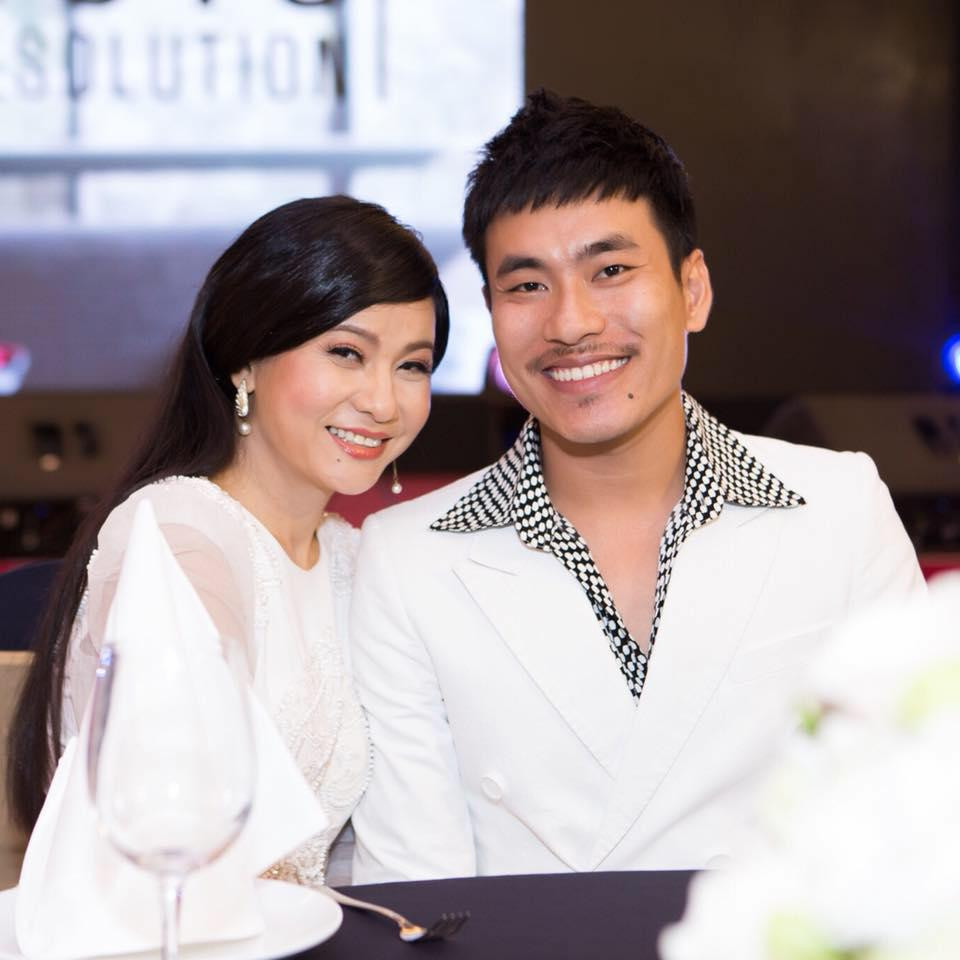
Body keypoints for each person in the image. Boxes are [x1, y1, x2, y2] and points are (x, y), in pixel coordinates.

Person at [348, 90, 926, 881]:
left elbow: (916, 812)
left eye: (611, 270)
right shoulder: (405, 558)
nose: (571, 323)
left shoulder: (840, 507)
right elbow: (418, 895)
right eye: (527, 286)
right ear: (491, 311)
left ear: (694, 289)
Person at [7, 195, 449, 886]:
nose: (383, 402)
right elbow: (180, 823)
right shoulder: (182, 536)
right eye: (346, 353)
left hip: (305, 929)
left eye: (412, 366)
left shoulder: (353, 557)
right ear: (245, 360)